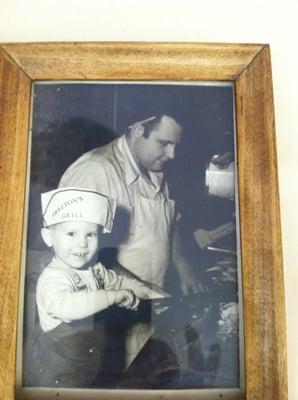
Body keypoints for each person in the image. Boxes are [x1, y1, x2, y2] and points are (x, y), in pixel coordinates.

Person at [59, 114, 201, 365]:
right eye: (165, 143)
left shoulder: (154, 167)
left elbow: (169, 219)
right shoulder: (95, 171)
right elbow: (79, 259)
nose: (172, 154)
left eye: (176, 145)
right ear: (138, 130)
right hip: (109, 317)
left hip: (152, 303)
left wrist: (183, 266)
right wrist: (142, 290)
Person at [24, 187, 163, 388]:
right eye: (71, 233)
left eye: (91, 234)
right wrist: (112, 296)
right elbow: (69, 307)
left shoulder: (95, 269)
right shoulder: (53, 277)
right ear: (49, 237)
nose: (82, 243)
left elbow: (119, 281)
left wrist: (141, 289)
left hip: (86, 356)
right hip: (55, 366)